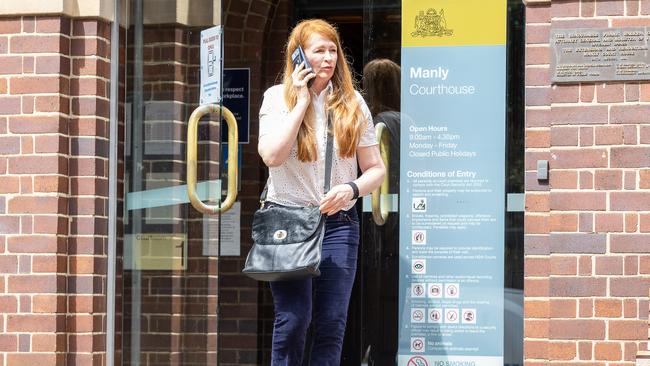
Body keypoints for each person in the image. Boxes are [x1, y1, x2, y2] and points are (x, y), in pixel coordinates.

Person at [257, 19, 386, 365]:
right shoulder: (276, 99)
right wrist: (301, 103)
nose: (328, 58)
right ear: (298, 56)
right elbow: (271, 156)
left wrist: (351, 188)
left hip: (339, 223)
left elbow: (376, 169)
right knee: (294, 320)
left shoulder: (352, 102)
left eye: (333, 51)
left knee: (331, 324)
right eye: (318, 51)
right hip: (289, 221)